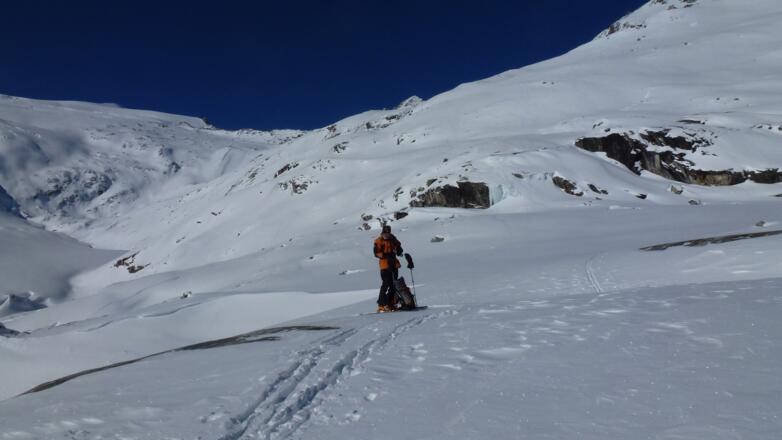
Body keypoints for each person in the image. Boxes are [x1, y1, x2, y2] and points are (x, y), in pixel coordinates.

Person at [373, 225, 403, 312]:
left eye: (388, 233)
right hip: (385, 265)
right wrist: (387, 255)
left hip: (394, 264)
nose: (387, 235)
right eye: (385, 233)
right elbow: (376, 253)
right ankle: (382, 305)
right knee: (386, 284)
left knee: (394, 285)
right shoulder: (379, 241)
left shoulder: (393, 239)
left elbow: (399, 246)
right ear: (382, 233)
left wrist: (399, 250)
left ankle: (390, 304)